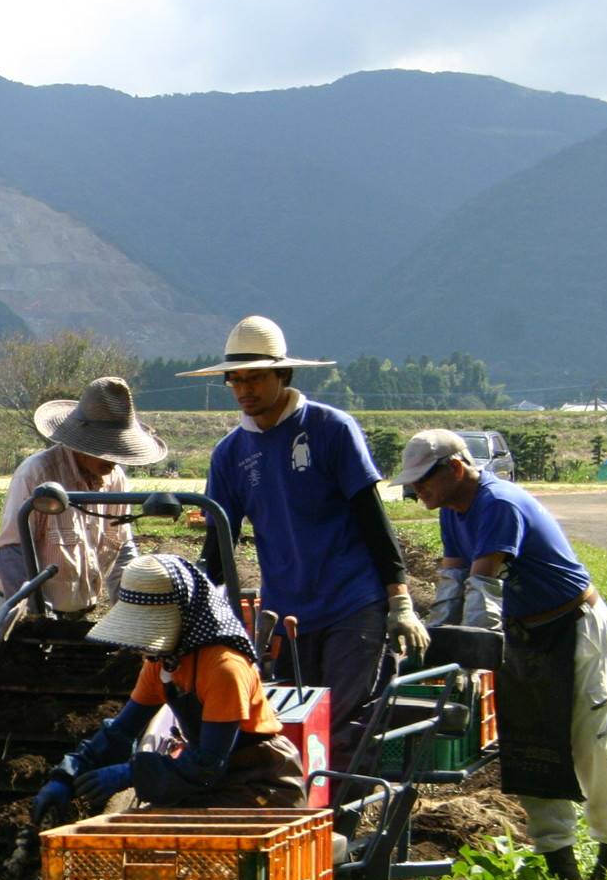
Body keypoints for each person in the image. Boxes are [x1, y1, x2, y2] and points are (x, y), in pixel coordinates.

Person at [179, 316, 428, 769]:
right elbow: (219, 544)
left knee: (346, 728)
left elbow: (372, 517)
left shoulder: (330, 428)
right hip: (289, 614)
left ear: (283, 375)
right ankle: (304, 825)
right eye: (235, 380)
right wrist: (190, 608)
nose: (244, 390)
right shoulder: (231, 453)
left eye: (255, 378)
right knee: (294, 727)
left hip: (353, 603)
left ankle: (341, 829)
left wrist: (400, 598)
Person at [394, 429, 607, 880]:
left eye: (424, 479)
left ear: (457, 469)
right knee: (530, 748)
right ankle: (560, 863)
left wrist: (466, 659)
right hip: (521, 635)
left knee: (588, 743)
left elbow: (485, 588)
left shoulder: (498, 504)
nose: (416, 489)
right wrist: (438, 644)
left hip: (571, 626)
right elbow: (451, 583)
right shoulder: (452, 511)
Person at [33, 553, 306, 820]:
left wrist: (130, 774)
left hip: (260, 787)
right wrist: (66, 775)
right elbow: (121, 731)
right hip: (212, 781)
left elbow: (208, 765)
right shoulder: (163, 663)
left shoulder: (224, 667)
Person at [0, 375, 168, 617]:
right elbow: (11, 551)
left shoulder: (115, 478)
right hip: (24, 617)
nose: (114, 458)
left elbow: (123, 554)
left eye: (119, 448)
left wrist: (132, 615)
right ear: (81, 442)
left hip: (79, 616)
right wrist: (37, 613)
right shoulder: (38, 473)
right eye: (107, 448)